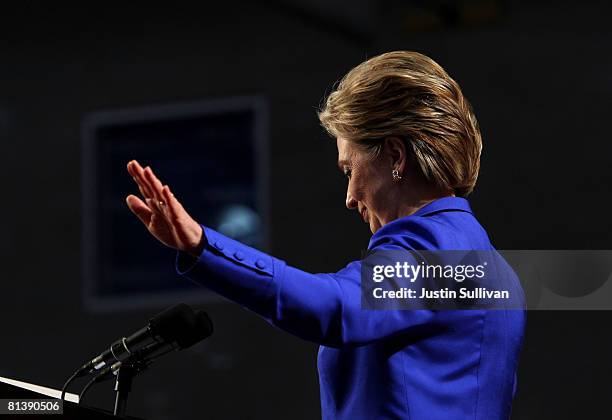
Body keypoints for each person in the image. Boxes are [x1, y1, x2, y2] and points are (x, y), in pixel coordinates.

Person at [125, 51, 526, 420]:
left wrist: (201, 245)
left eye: (349, 171)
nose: (350, 198)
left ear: (396, 156)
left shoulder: (438, 254)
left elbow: (334, 307)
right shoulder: (496, 270)